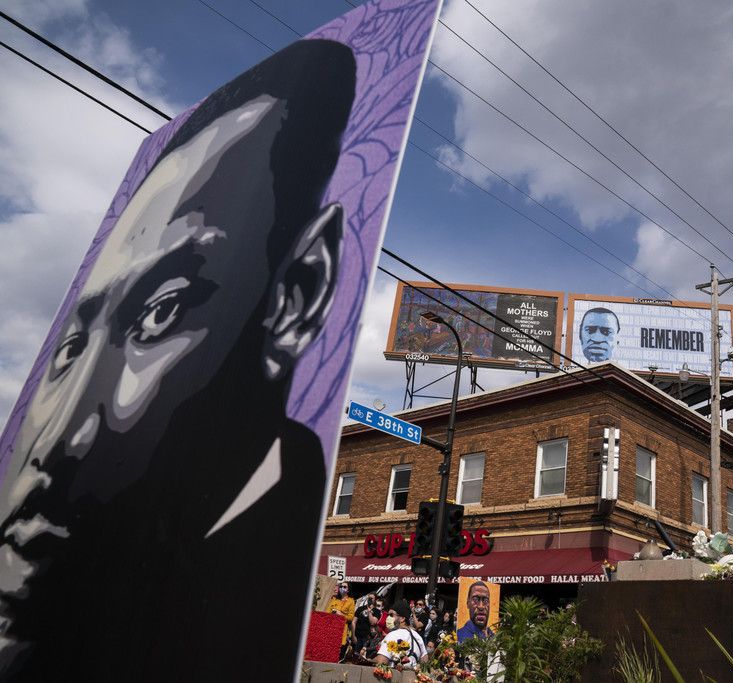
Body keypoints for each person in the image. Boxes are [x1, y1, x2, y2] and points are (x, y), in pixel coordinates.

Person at [0, 38, 357, 682]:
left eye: (160, 314)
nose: (59, 441)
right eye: (72, 347)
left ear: (298, 296)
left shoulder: (255, 599)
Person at [374, 602, 427, 669]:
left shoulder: (393, 635)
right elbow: (425, 660)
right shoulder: (417, 636)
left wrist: (370, 660)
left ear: (402, 618)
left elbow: (381, 662)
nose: (388, 618)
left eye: (391, 615)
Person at [326, 581, 356, 653]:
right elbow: (327, 613)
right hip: (331, 627)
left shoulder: (351, 601)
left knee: (337, 651)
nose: (342, 588)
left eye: (344, 587)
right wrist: (332, 612)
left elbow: (351, 618)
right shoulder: (334, 599)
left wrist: (341, 614)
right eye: (341, 586)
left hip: (341, 629)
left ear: (348, 590)